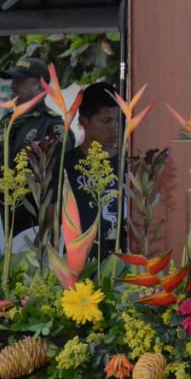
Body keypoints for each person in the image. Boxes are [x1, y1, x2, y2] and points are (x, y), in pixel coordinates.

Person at [0, 56, 66, 180]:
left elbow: (51, 175)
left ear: (40, 87)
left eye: (19, 80)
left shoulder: (52, 126)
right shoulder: (6, 122)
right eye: (13, 80)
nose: (12, 85)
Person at [62, 83, 124, 254]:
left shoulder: (130, 163)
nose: (115, 127)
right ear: (83, 122)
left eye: (119, 120)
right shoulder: (64, 166)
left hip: (124, 264)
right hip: (80, 263)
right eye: (106, 121)